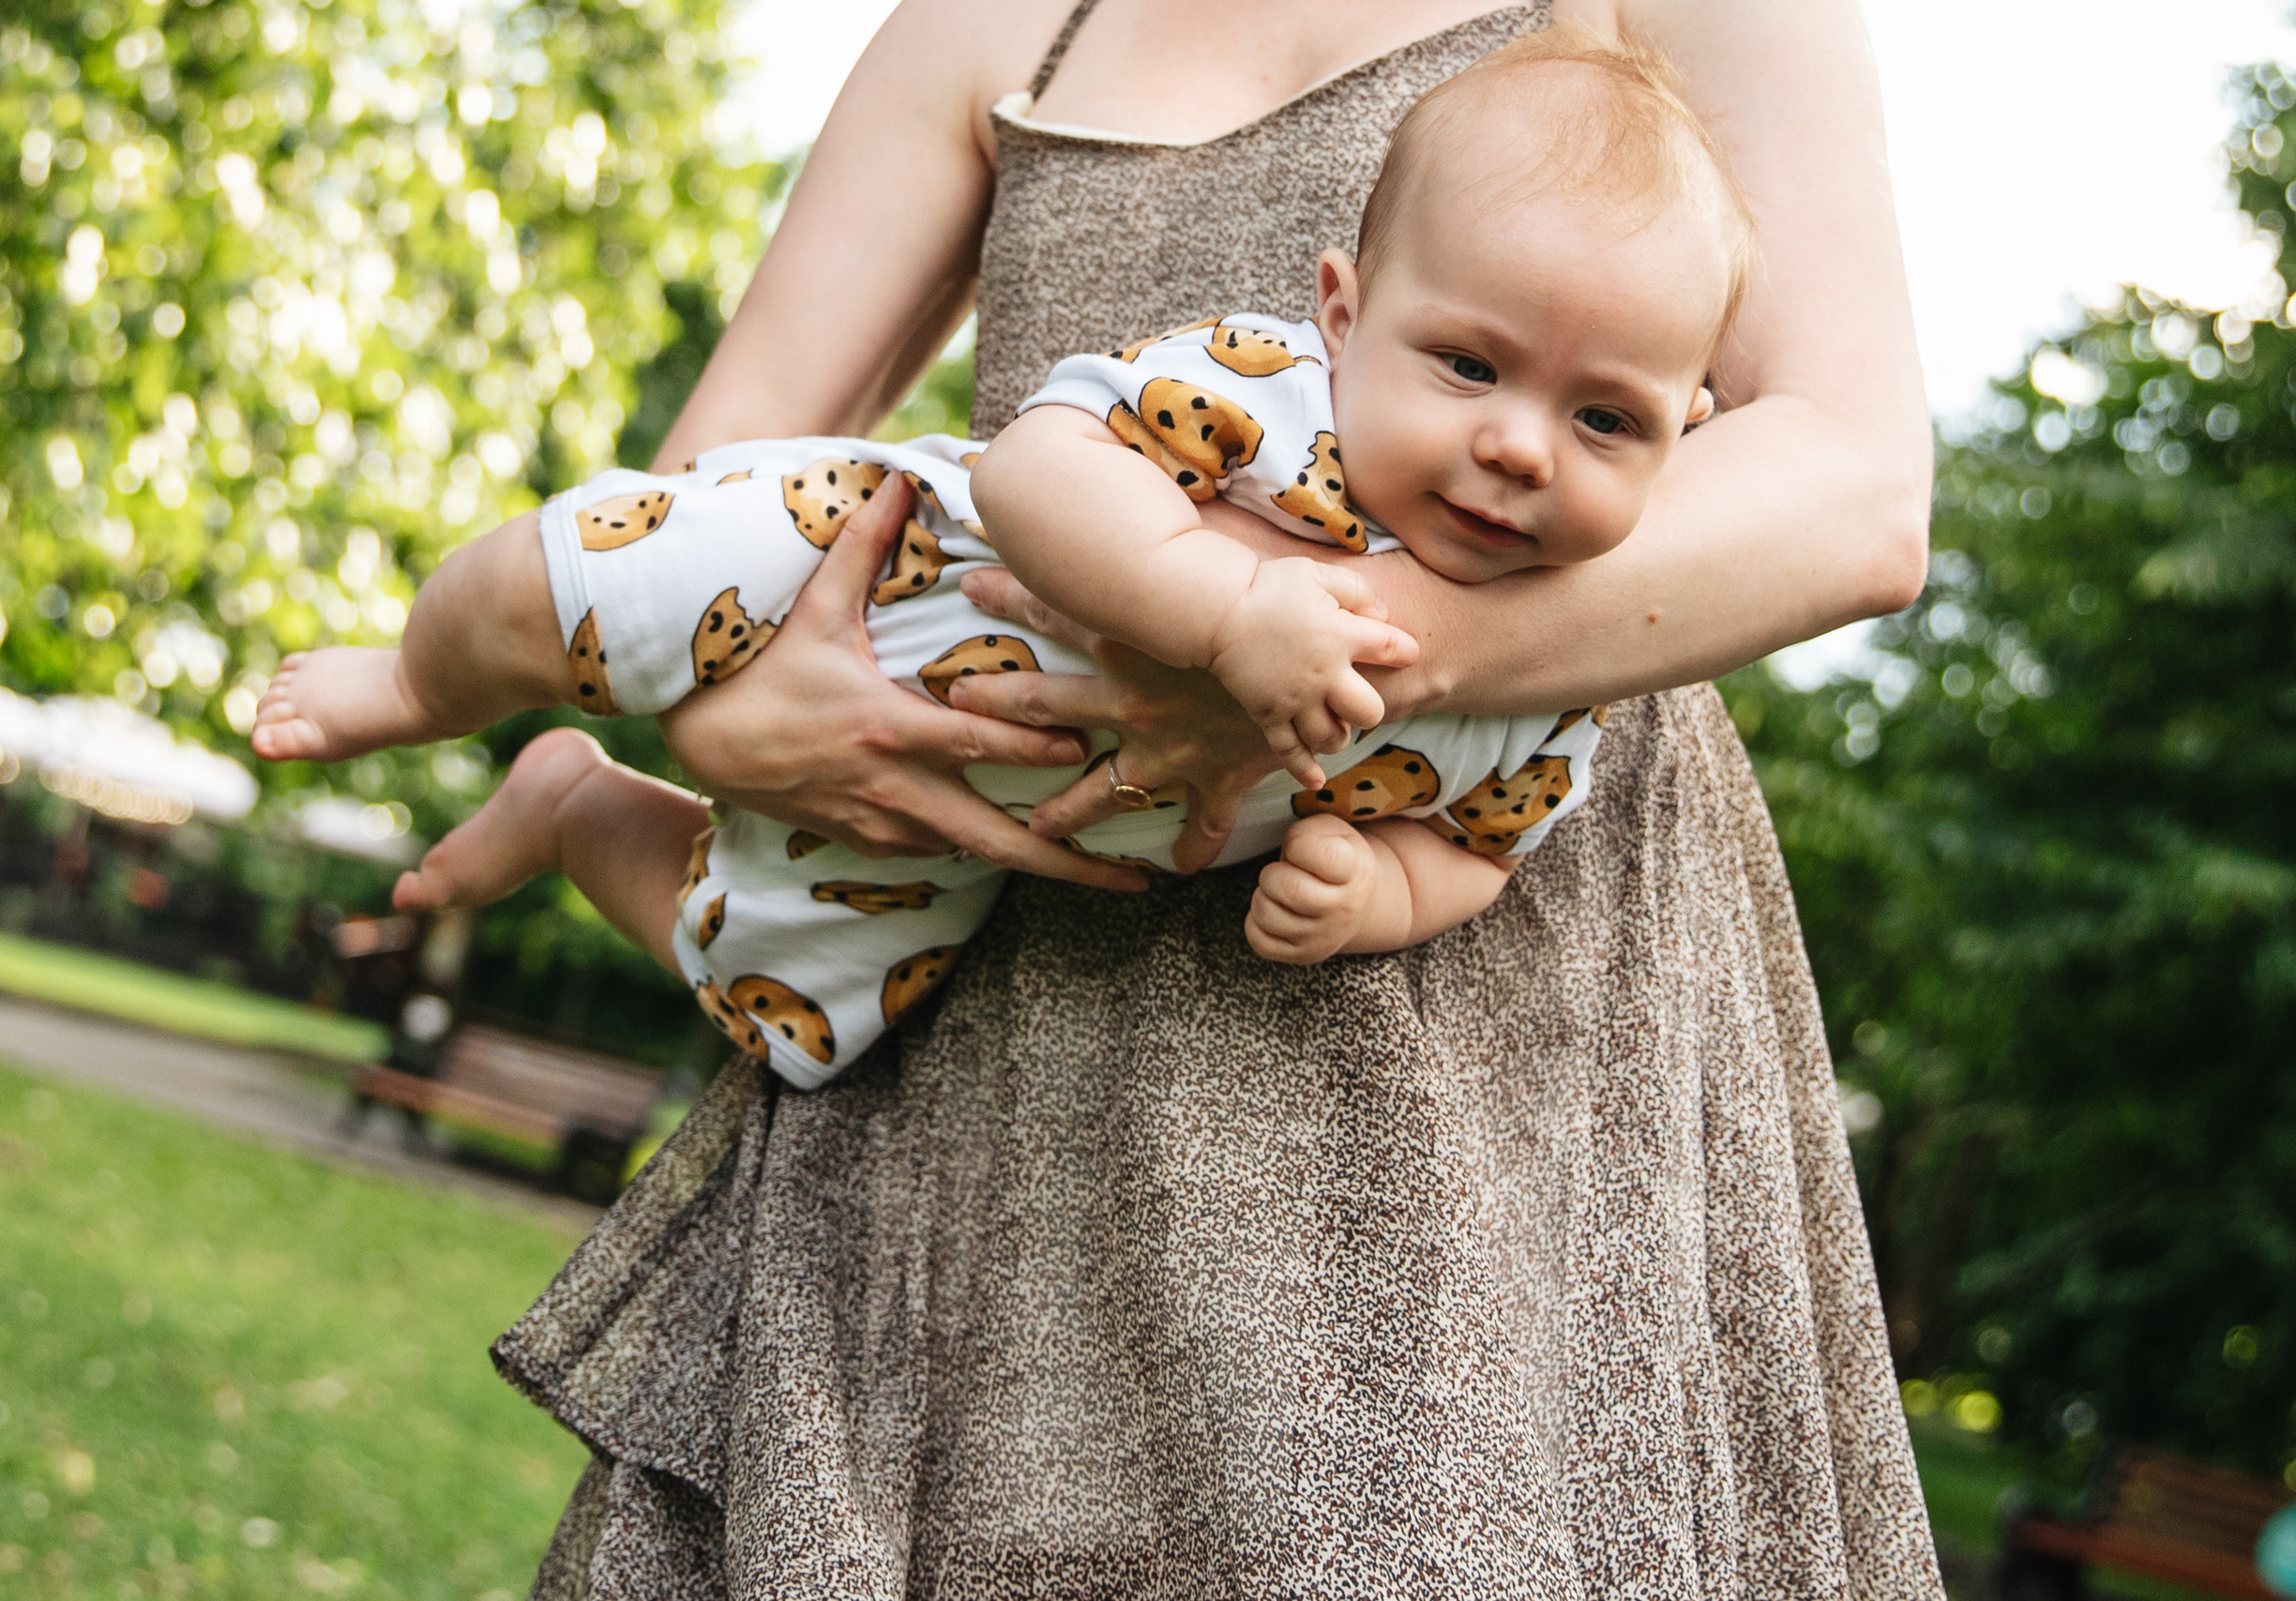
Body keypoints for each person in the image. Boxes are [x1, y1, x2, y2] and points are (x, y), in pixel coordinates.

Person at [492, 0, 1948, 1592]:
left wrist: (1317, 656)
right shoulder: (1004, 23)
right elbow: (698, 484)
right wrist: (734, 718)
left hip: (1469, 1028)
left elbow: (1854, 492)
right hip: (1003, 1014)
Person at [249, 31, 1744, 1085]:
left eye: (1604, 419)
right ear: (1345, 318)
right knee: (589, 575)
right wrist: (1229, 604)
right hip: (876, 566)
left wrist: (1378, 892)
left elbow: (1481, 850)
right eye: (1470, 367)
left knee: (793, 1016)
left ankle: (578, 811)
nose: (1522, 446)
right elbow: (1042, 467)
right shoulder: (1278, 400)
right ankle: (421, 675)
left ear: (1685, 435)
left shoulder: (1563, 675)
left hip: (978, 822)